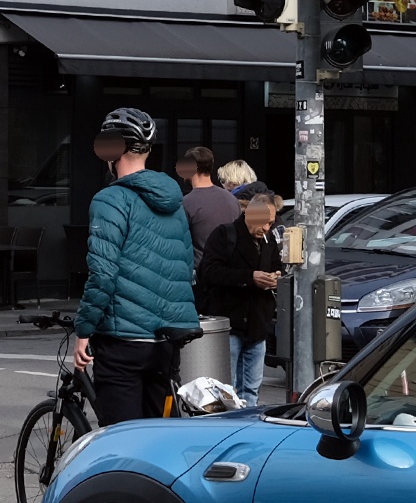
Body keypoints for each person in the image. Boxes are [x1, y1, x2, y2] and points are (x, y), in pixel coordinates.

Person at [73, 108, 199, 425]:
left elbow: (102, 273)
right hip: (166, 341)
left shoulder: (110, 200)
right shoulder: (174, 202)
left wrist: (84, 329)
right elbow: (185, 266)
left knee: (121, 439)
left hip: (123, 343)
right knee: (160, 437)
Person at [196, 186, 283, 406]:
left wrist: (276, 277)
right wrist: (250, 277)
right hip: (230, 322)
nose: (266, 228)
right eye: (263, 222)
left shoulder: (268, 240)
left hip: (257, 324)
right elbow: (210, 272)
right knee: (226, 389)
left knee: (251, 390)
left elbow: (276, 265)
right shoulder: (225, 235)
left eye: (270, 223)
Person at [180, 146, 241, 272]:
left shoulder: (186, 203)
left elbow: (179, 243)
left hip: (200, 273)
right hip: (229, 272)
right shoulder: (232, 200)